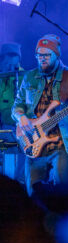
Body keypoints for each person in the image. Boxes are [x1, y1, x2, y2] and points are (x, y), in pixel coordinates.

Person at [12, 34, 68, 195]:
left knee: (62, 195)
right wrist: (22, 117)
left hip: (63, 145)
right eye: (39, 55)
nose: (42, 59)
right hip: (34, 144)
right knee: (33, 194)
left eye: (46, 55)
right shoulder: (29, 77)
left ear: (57, 55)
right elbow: (17, 106)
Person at [0, 43, 25, 183]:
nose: (8, 60)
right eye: (6, 57)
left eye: (13, 56)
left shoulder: (25, 78)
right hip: (4, 129)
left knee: (31, 147)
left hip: (22, 128)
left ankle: (18, 184)